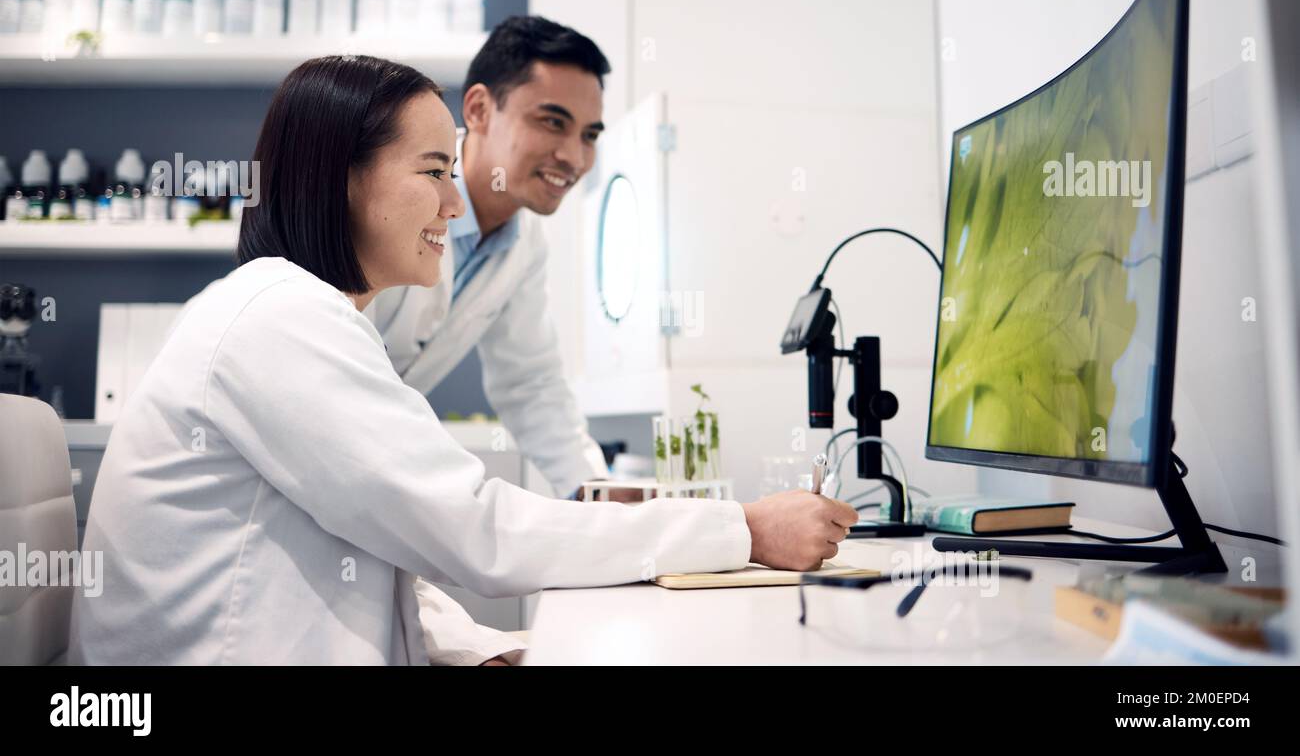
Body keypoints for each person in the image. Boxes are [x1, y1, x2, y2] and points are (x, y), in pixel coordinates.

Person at [68, 55, 858, 665]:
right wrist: (743, 528)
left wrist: (480, 650)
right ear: (342, 180)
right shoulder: (280, 318)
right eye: (434, 173)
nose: (455, 204)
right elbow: (475, 530)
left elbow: (386, 543)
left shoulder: (298, 312)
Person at [365, 15, 615, 498]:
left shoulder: (524, 244)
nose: (574, 157)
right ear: (478, 109)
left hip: (369, 456)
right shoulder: (393, 187)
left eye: (589, 135)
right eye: (552, 122)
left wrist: (597, 496)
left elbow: (531, 384)